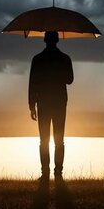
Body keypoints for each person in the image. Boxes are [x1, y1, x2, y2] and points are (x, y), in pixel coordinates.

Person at [29, 31, 74, 179]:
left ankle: (46, 172)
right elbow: (70, 80)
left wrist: (31, 104)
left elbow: (32, 83)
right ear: (58, 40)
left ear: (44, 40)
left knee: (44, 140)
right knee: (59, 139)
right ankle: (58, 172)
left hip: (43, 103)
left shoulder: (37, 59)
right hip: (59, 103)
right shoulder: (65, 58)